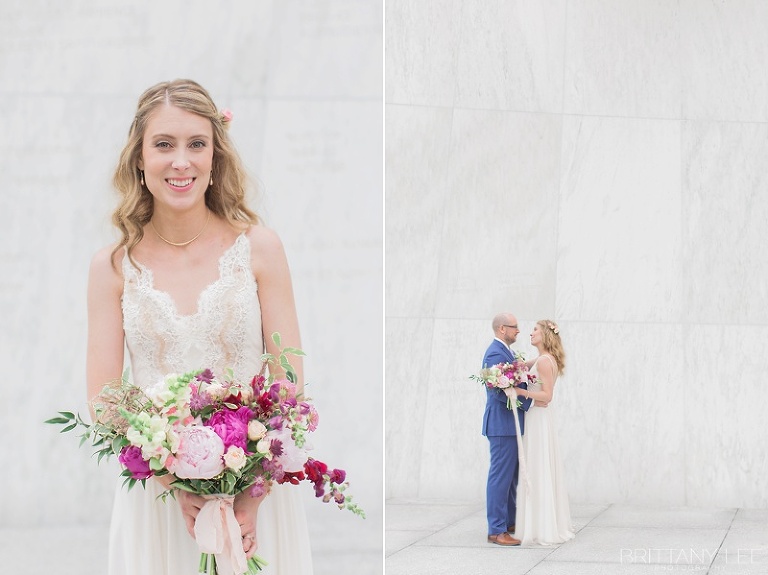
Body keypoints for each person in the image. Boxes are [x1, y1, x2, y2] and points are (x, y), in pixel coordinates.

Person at [86, 79, 313, 575]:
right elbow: (104, 401)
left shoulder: (260, 249)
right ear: (139, 159)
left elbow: (289, 383)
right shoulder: (112, 266)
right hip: (159, 504)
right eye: (164, 144)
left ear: (216, 157)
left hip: (257, 497)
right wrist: (174, 482)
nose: (181, 161)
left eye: (197, 144)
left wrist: (255, 489)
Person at [508, 320, 575, 545]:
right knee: (537, 466)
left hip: (538, 416)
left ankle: (541, 526)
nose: (531, 333)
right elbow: (522, 366)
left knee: (538, 466)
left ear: (545, 334)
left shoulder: (546, 362)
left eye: (535, 330)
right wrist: (506, 371)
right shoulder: (542, 359)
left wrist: (519, 392)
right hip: (538, 417)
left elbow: (547, 396)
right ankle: (539, 522)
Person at [481, 313, 534, 546]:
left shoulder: (505, 352)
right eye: (515, 327)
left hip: (509, 424)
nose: (518, 331)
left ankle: (508, 521)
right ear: (502, 328)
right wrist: (528, 401)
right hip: (502, 425)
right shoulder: (495, 352)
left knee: (510, 477)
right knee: (500, 477)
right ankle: (496, 530)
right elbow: (498, 391)